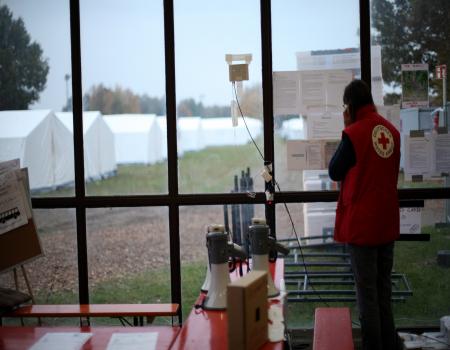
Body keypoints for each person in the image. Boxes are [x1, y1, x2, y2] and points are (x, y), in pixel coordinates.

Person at [328, 79, 401, 350]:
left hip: (363, 229)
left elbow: (335, 170)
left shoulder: (355, 133)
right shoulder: (391, 132)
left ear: (350, 105)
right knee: (384, 292)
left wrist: (347, 127)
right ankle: (389, 346)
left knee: (367, 296)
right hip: (386, 224)